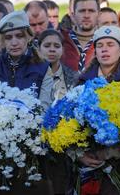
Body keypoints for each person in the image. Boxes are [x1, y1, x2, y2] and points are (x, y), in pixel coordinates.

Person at [0, 10, 54, 194]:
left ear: (28, 37)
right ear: (2, 41)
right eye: (8, 37)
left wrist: (21, 132)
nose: (14, 42)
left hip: (30, 152)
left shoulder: (42, 68)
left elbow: (44, 108)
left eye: (19, 36)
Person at [77, 25, 120, 195]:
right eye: (100, 45)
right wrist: (79, 154)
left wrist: (108, 154)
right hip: (86, 167)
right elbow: (68, 123)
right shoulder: (82, 82)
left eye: (110, 44)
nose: (104, 49)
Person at [37, 29, 78, 194]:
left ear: (62, 49)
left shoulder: (73, 76)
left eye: (56, 46)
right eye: (47, 46)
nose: (52, 50)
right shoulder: (33, 74)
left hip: (64, 146)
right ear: (38, 49)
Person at [61, 0, 99, 72]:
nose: (86, 15)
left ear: (99, 14)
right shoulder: (60, 39)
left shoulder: (106, 41)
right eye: (82, 11)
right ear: (73, 15)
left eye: (91, 11)